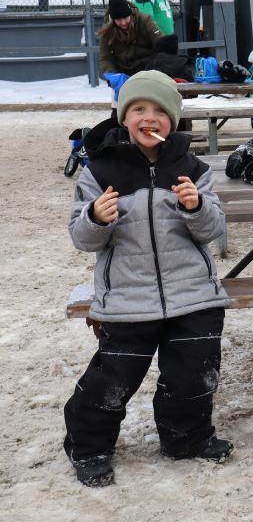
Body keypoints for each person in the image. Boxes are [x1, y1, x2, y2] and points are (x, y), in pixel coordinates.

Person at [64, 70, 233, 488]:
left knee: (193, 376)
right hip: (127, 299)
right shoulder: (101, 170)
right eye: (139, 108)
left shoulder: (191, 167)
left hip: (193, 296)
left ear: (173, 121)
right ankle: (89, 447)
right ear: (125, 117)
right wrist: (95, 217)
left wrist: (196, 207)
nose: (149, 117)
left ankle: (185, 438)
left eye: (160, 110)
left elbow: (212, 230)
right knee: (111, 382)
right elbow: (80, 236)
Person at [98, 0, 166, 79]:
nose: (123, 23)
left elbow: (161, 42)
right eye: (118, 20)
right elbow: (105, 57)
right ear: (113, 20)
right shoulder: (107, 31)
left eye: (125, 18)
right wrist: (111, 74)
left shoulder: (145, 21)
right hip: (123, 72)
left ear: (130, 14)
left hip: (149, 69)